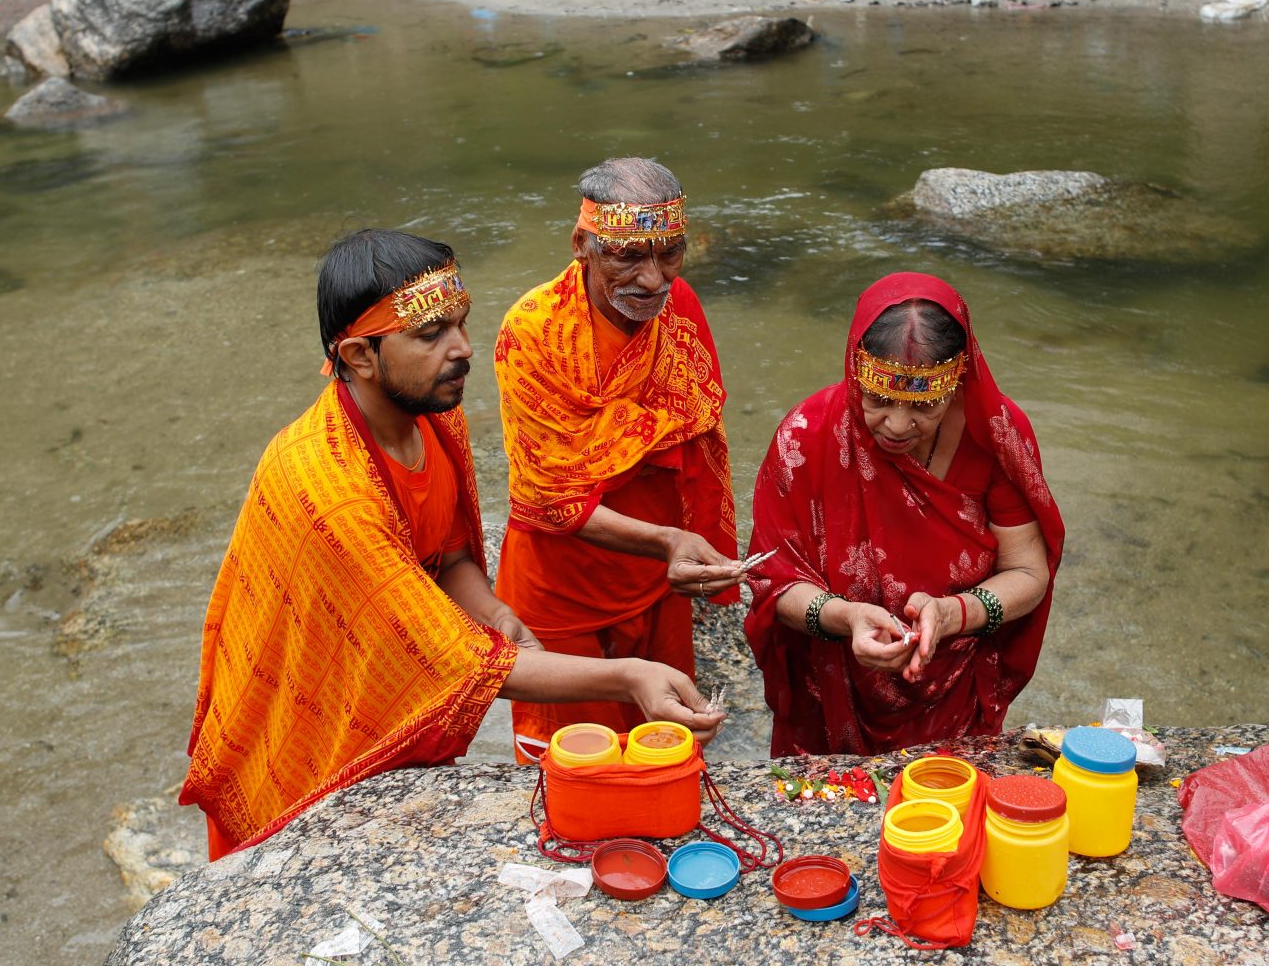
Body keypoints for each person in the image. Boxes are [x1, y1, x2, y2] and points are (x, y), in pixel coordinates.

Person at [180, 229, 724, 859]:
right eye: (431, 334)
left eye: (461, 323)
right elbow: (464, 664)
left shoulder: (434, 417)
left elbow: (451, 555)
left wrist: (493, 613)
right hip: (304, 727)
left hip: (374, 686)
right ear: (359, 356)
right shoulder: (333, 492)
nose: (463, 348)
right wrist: (630, 677)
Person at [743, 272, 1065, 757]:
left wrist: (952, 614)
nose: (895, 426)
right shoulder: (807, 436)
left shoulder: (994, 436)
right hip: (831, 688)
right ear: (856, 371)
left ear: (958, 381)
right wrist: (846, 617)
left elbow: (1027, 571)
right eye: (877, 399)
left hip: (950, 686)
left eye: (924, 406)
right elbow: (773, 579)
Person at [493, 157, 743, 763]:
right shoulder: (532, 331)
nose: (653, 280)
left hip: (657, 583)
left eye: (670, 254)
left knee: (668, 749)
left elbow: (700, 430)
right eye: (628, 257)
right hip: (563, 587)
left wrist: (691, 548)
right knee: (577, 765)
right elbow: (551, 500)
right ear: (582, 244)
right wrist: (669, 541)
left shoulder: (679, 307)